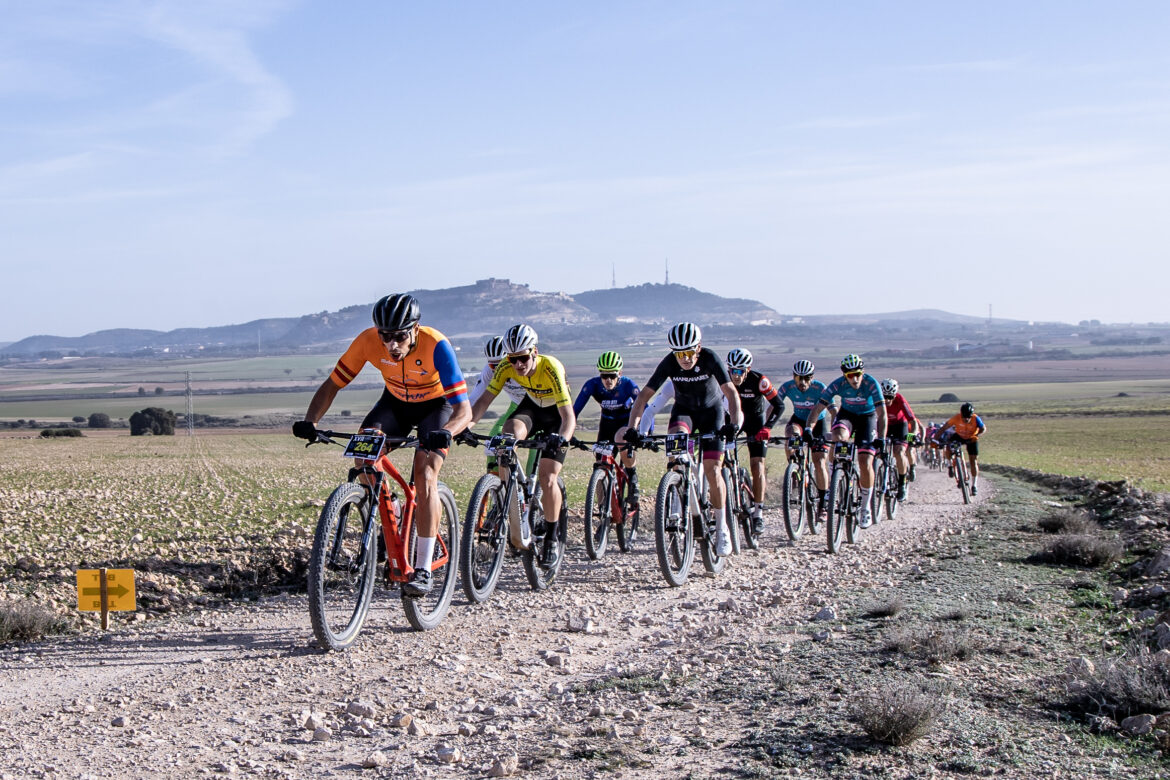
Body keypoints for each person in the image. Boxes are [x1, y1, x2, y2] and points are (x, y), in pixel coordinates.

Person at [293, 293, 471, 597]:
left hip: (436, 407)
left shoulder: (436, 345)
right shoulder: (367, 341)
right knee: (363, 458)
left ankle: (424, 568)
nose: (392, 345)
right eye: (385, 336)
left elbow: (463, 410)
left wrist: (448, 432)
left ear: (415, 329)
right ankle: (397, 516)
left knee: (425, 474)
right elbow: (333, 383)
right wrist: (311, 421)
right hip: (395, 404)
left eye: (400, 336)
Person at [625, 322, 742, 556]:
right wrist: (633, 428)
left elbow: (731, 393)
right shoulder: (669, 363)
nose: (685, 359)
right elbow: (644, 397)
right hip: (684, 412)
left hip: (712, 414)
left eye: (689, 352)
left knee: (712, 469)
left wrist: (734, 424)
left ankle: (721, 527)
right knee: (676, 449)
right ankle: (678, 496)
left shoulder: (710, 358)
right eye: (680, 354)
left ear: (698, 348)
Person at [467, 324, 576, 568]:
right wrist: (467, 426)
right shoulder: (506, 367)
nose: (518, 365)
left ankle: (551, 538)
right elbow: (484, 400)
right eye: (513, 359)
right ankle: (510, 499)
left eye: (523, 358)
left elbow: (568, 417)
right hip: (531, 408)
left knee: (548, 478)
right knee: (508, 435)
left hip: (556, 415)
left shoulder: (551, 367)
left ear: (534, 352)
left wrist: (563, 438)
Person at [801, 354, 887, 529]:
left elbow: (882, 414)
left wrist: (882, 438)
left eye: (857, 374)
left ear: (862, 372)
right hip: (847, 416)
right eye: (850, 375)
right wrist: (809, 428)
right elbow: (817, 409)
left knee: (865, 461)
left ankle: (865, 507)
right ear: (844, 375)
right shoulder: (837, 384)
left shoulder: (871, 383)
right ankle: (837, 471)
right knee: (838, 437)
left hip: (868, 418)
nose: (854, 379)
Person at [725, 348, 783, 534]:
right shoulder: (724, 380)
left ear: (747, 369)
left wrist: (767, 427)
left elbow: (779, 405)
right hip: (733, 420)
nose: (735, 375)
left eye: (740, 371)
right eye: (732, 370)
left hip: (755, 422)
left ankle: (758, 513)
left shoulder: (760, 380)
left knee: (757, 465)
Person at [572, 351, 641, 503]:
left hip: (625, 423)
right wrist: (568, 432)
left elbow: (645, 407)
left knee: (621, 440)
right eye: (604, 376)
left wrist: (644, 432)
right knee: (599, 465)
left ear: (620, 373)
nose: (608, 380)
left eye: (613, 376)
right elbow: (573, 412)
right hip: (606, 425)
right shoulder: (592, 385)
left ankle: (632, 476)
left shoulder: (629, 385)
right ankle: (603, 509)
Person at [776, 360, 835, 523]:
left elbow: (833, 410)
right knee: (791, 434)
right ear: (794, 377)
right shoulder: (787, 387)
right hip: (799, 420)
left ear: (812, 378)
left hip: (818, 424)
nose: (802, 382)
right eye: (798, 378)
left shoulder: (820, 388)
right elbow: (774, 406)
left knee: (819, 461)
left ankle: (823, 503)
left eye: (806, 378)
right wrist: (765, 427)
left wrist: (835, 430)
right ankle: (794, 469)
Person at [468, 336, 534, 475]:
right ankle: (495, 486)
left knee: (534, 457)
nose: (497, 370)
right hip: (516, 406)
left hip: (537, 408)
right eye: (493, 366)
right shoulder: (489, 372)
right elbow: (475, 398)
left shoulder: (522, 367)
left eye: (502, 364)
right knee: (494, 439)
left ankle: (532, 485)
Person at [880, 378, 920, 501]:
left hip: (899, 426)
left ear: (894, 395)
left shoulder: (900, 399)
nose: (886, 400)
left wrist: (912, 435)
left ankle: (902, 483)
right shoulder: (877, 400)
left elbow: (913, 421)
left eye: (890, 397)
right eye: (884, 397)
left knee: (899, 452)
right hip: (885, 425)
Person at [935, 402, 987, 495]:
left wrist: (977, 435)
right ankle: (950, 464)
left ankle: (974, 485)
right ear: (961, 414)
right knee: (948, 446)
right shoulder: (956, 418)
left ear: (971, 415)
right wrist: (935, 439)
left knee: (973, 460)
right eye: (964, 417)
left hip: (971, 438)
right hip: (959, 436)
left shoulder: (976, 418)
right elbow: (943, 428)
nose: (966, 419)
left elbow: (983, 428)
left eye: (968, 417)